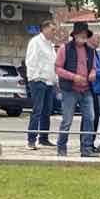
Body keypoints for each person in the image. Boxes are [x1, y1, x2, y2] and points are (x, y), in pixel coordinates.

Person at [54, 21, 100, 157]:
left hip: (86, 89)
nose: (83, 37)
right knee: (67, 120)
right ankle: (61, 147)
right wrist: (73, 77)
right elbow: (57, 68)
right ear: (74, 35)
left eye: (85, 35)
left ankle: (86, 148)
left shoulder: (91, 50)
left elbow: (93, 67)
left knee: (90, 118)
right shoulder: (65, 48)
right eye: (80, 34)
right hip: (69, 89)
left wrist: (92, 73)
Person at [24, 22, 60, 150]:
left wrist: (56, 80)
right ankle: (31, 140)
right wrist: (35, 78)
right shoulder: (35, 42)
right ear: (44, 29)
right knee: (37, 110)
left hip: (49, 82)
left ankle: (43, 138)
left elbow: (52, 63)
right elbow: (31, 61)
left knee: (47, 110)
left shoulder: (50, 45)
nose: (54, 32)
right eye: (52, 30)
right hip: (38, 80)